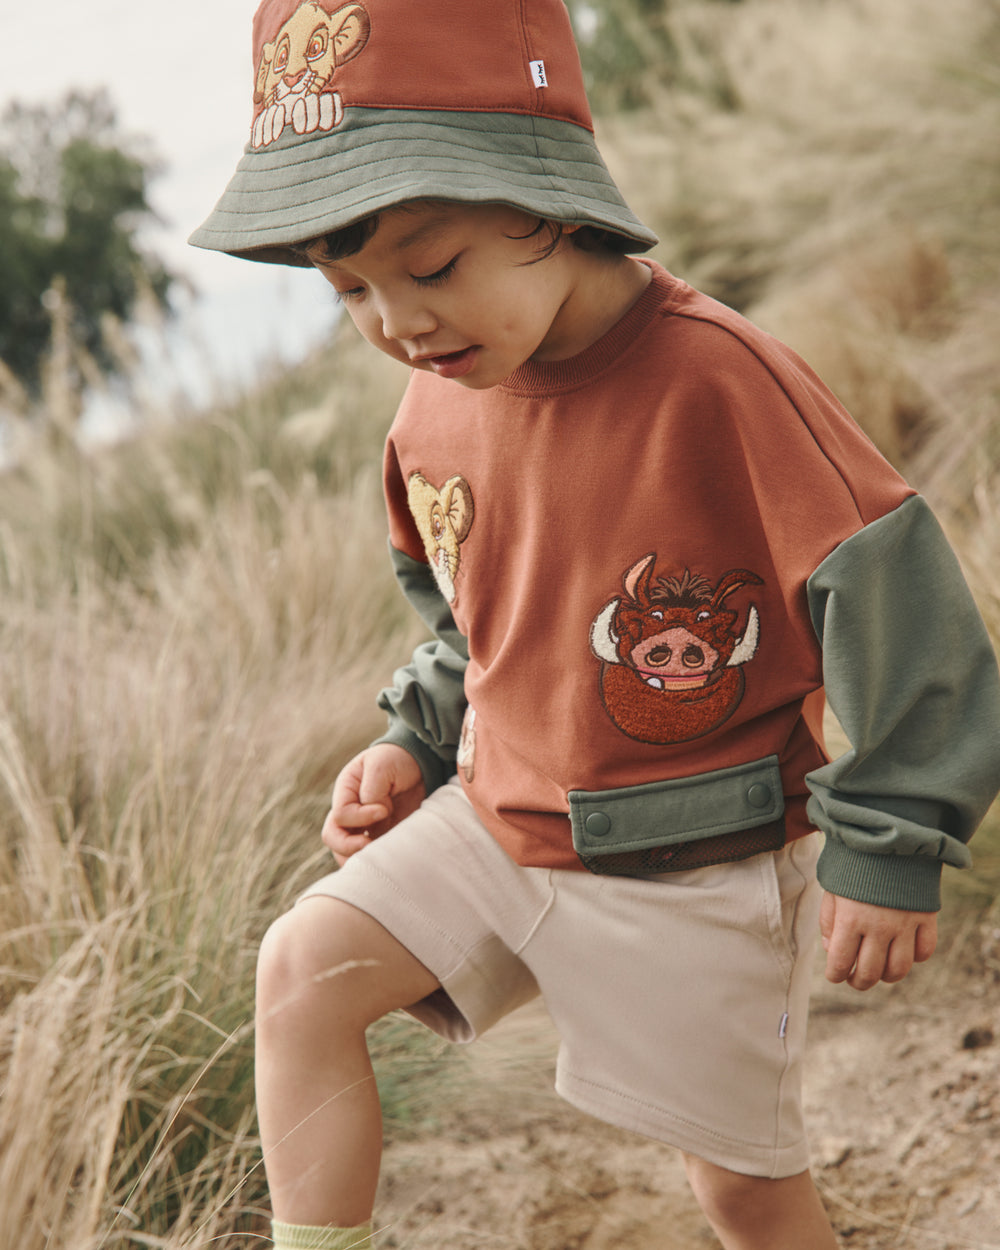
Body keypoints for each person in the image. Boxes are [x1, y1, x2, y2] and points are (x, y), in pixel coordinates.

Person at [190, 2, 1000, 1247]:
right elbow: (474, 617)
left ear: (544, 200)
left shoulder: (722, 383)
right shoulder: (431, 412)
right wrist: (415, 739)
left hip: (698, 861)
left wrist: (890, 837)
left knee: (740, 1190)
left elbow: (899, 604)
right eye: (347, 287)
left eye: (431, 264)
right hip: (497, 824)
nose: (398, 321)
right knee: (303, 974)